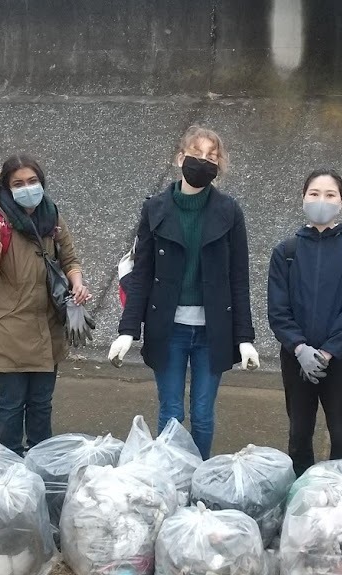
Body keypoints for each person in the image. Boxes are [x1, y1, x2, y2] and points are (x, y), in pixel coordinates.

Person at [111, 125, 260, 459]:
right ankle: (172, 476)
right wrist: (127, 330)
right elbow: (143, 272)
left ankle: (201, 477)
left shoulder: (229, 212)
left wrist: (244, 336)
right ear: (180, 157)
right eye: (196, 154)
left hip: (212, 331)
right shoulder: (155, 208)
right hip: (169, 328)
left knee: (204, 415)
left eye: (212, 156)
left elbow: (238, 278)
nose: (203, 162)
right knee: (171, 412)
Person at [0, 154, 91, 456]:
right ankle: (10, 463)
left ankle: (41, 462)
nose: (28, 188)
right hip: (7, 327)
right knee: (11, 403)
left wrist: (77, 283)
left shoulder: (50, 215)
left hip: (46, 326)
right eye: (18, 183)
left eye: (33, 181)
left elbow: (69, 259)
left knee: (41, 402)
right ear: (6, 188)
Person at [267, 169, 342, 476]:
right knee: (299, 432)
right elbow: (278, 308)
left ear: (341, 201)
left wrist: (328, 352)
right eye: (314, 194)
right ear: (303, 197)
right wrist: (299, 347)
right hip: (296, 358)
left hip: (340, 359)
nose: (321, 200)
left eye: (330, 195)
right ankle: (300, 496)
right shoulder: (286, 251)